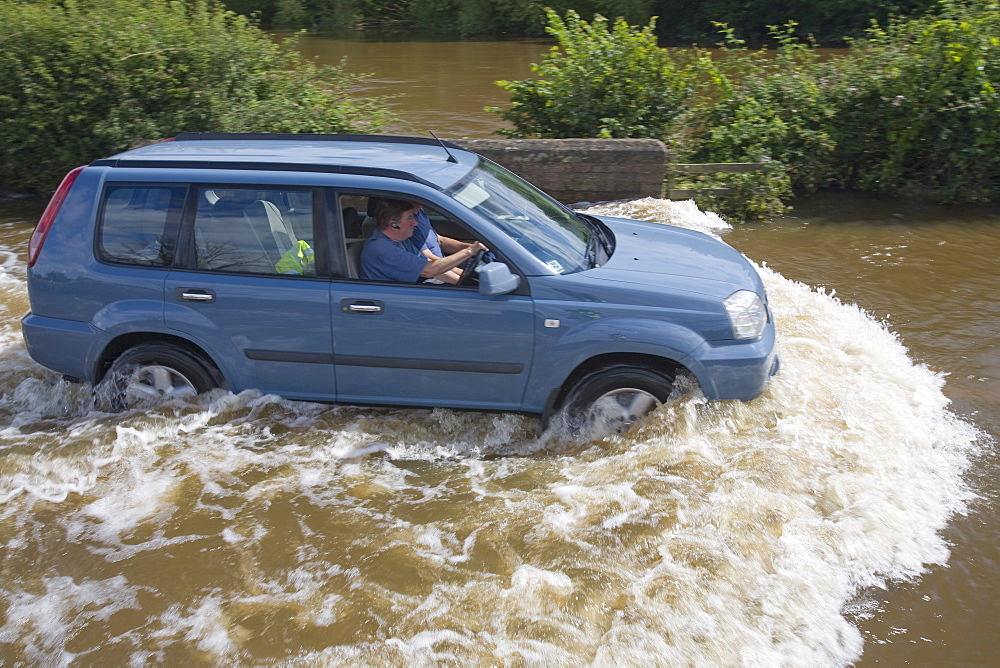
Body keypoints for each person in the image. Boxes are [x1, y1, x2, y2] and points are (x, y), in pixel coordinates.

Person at [359, 198, 486, 283]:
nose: (415, 223)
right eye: (409, 218)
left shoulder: (401, 241)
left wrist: (467, 279)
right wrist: (469, 251)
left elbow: (431, 265)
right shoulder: (382, 249)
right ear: (393, 225)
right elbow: (429, 270)